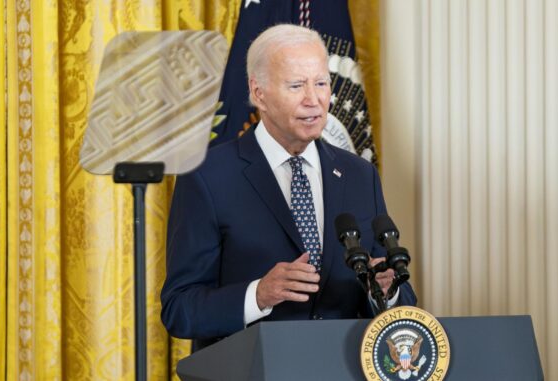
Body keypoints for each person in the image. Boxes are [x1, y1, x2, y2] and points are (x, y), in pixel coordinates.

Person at [160, 24, 417, 348]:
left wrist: (388, 290)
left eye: (321, 83)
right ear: (259, 93)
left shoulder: (359, 175)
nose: (314, 100)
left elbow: (401, 297)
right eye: (296, 85)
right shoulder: (207, 177)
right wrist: (259, 294)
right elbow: (179, 309)